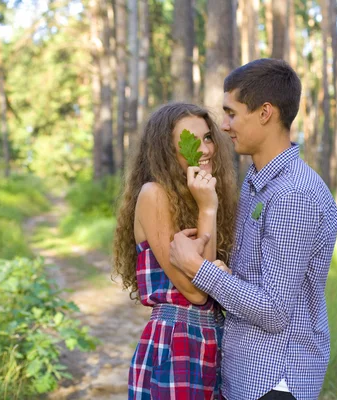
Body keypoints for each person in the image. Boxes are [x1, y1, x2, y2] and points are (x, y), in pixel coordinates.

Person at [169, 59, 337, 400]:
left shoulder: (294, 195)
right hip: (246, 373)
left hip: (274, 381)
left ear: (265, 113)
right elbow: (258, 281)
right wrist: (225, 271)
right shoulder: (256, 182)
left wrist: (198, 269)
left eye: (232, 113)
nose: (225, 125)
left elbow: (275, 311)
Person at [112, 102, 238, 399]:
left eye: (208, 137)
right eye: (192, 142)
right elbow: (196, 292)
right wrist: (208, 208)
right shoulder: (154, 194)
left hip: (213, 342)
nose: (205, 149)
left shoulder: (200, 196)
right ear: (166, 150)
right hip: (177, 342)